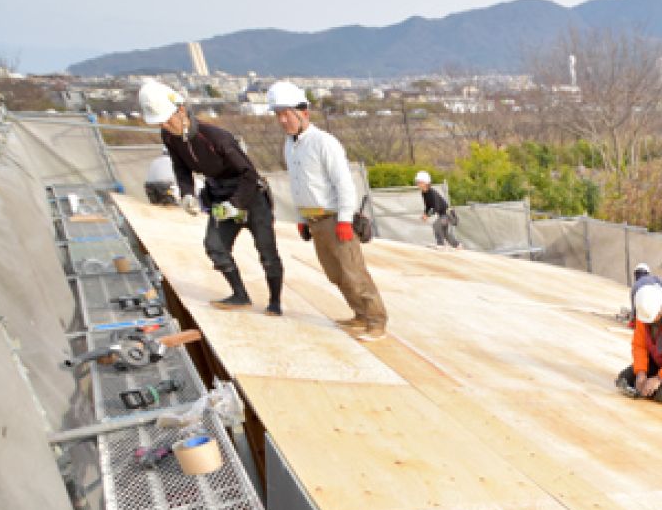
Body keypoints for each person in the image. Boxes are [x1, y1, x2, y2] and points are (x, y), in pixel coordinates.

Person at [140, 81, 284, 314]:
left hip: (250, 196)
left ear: (182, 110)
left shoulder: (216, 137)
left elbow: (249, 174)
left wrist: (235, 204)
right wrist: (187, 194)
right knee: (215, 246)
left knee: (266, 251)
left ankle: (275, 302)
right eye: (160, 123)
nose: (166, 126)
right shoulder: (170, 138)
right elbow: (181, 168)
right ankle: (240, 295)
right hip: (218, 194)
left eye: (168, 120)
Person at [267, 81, 388, 341]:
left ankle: (376, 320)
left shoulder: (324, 142)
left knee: (353, 272)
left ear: (304, 113)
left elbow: (344, 183)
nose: (283, 120)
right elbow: (298, 184)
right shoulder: (290, 145)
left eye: (287, 114)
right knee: (335, 273)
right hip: (314, 220)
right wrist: (301, 218)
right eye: (279, 115)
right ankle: (359, 314)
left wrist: (345, 219)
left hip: (334, 218)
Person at [415, 170, 461, 249]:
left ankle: (441, 245)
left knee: (436, 225)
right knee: (445, 233)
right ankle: (457, 245)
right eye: (417, 182)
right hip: (443, 215)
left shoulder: (432, 193)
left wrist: (428, 215)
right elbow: (428, 206)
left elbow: (437, 207)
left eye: (419, 182)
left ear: (426, 183)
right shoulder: (424, 193)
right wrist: (425, 214)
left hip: (449, 215)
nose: (418, 184)